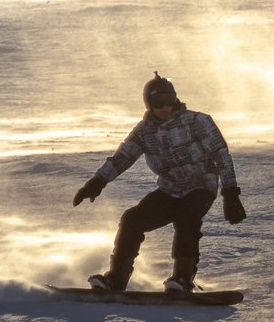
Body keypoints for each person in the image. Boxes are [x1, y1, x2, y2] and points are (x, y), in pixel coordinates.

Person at [72, 73, 246, 293]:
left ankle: (182, 279)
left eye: (169, 101)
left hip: (201, 185)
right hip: (170, 190)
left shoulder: (198, 122)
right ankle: (116, 279)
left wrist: (230, 193)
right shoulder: (144, 131)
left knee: (187, 218)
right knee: (132, 219)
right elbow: (122, 158)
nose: (165, 107)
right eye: (158, 103)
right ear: (149, 104)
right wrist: (97, 182)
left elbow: (221, 154)